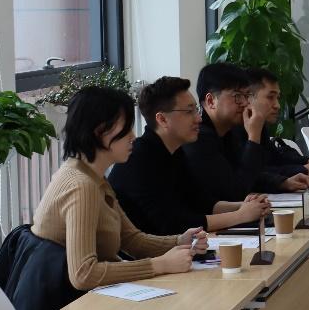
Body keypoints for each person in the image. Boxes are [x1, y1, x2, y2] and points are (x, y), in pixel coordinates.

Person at [30, 87, 200, 291]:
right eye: (126, 129)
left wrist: (180, 241)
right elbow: (83, 274)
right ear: (100, 131)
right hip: (69, 303)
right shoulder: (81, 186)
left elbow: (131, 239)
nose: (133, 136)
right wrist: (159, 265)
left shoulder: (93, 176)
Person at [109, 77, 271, 235]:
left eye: (196, 110)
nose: (198, 118)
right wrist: (240, 215)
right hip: (144, 250)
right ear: (162, 119)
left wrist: (245, 206)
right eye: (189, 111)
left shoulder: (174, 151)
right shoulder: (139, 158)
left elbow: (201, 202)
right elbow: (173, 224)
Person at [183, 63, 309, 202]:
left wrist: (281, 182)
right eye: (237, 96)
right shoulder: (198, 138)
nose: (245, 103)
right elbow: (236, 191)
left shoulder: (226, 132)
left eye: (246, 95)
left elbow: (246, 173)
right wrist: (253, 137)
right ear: (211, 101)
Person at [245, 67, 309, 190]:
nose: (277, 105)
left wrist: (308, 161)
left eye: (277, 98)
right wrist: (303, 169)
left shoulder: (259, 125)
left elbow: (276, 158)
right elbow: (255, 173)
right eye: (270, 97)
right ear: (248, 98)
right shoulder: (233, 131)